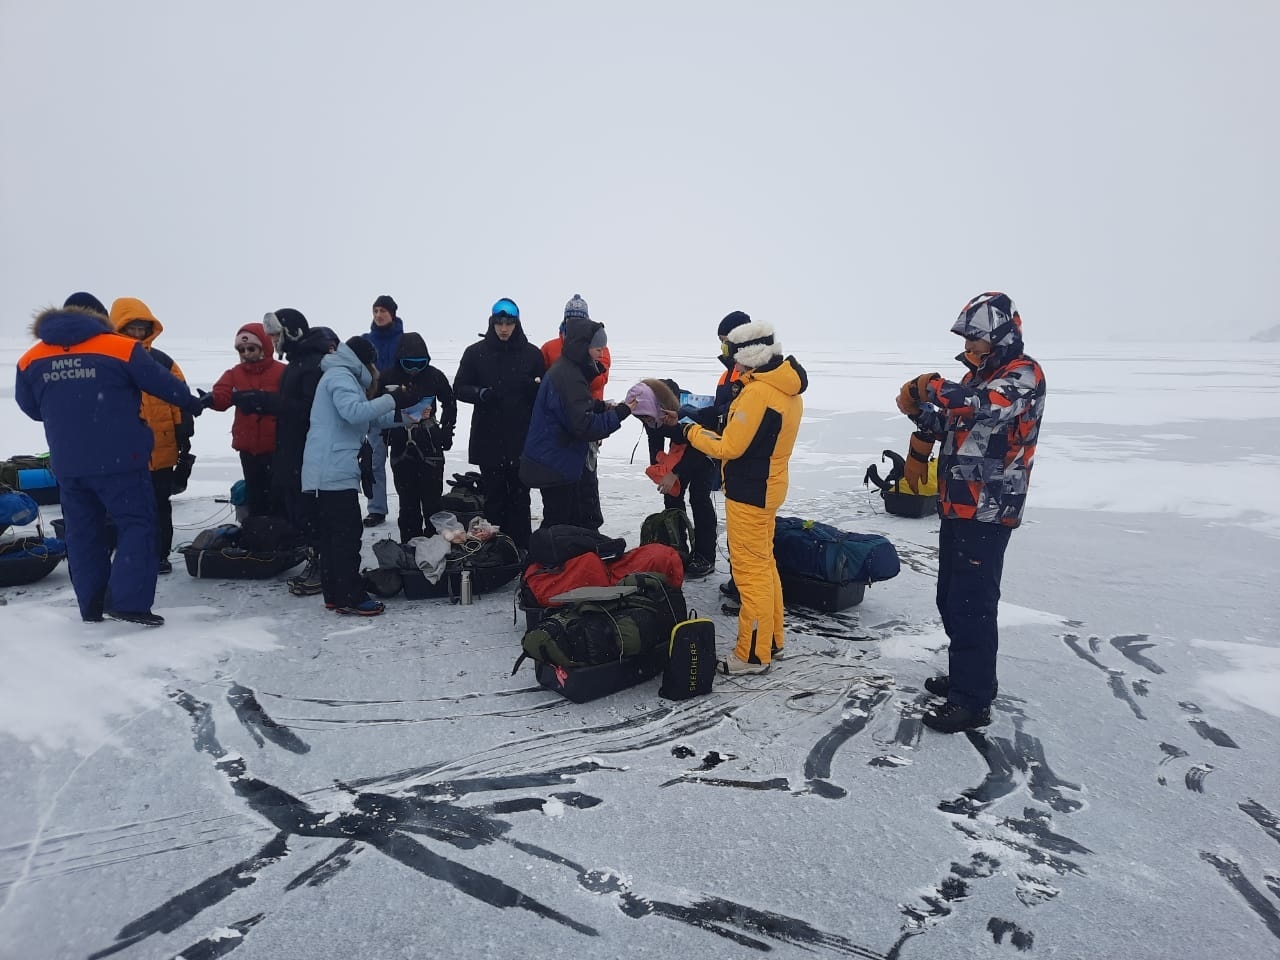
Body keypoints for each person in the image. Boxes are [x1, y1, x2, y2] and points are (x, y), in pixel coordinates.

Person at [896, 292, 1046, 734]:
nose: (970, 350)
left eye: (976, 342)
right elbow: (955, 422)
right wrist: (921, 418)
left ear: (1000, 338)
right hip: (958, 503)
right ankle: (970, 677)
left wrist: (931, 385)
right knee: (951, 597)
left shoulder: (1022, 375)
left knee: (973, 604)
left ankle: (973, 700)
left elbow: (981, 407)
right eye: (967, 343)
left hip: (990, 508)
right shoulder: (978, 379)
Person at [15, 293, 206, 626]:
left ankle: (91, 606)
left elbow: (31, 407)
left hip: (69, 464)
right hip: (122, 461)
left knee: (82, 534)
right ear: (101, 318)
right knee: (136, 525)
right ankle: (130, 603)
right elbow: (165, 386)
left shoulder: (31, 358)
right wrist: (194, 403)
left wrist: (67, 412)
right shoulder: (119, 347)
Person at [683, 318, 806, 675]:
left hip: (749, 492)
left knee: (751, 575)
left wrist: (692, 431)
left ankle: (751, 654)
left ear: (751, 356)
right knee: (765, 566)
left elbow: (731, 447)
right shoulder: (786, 387)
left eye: (734, 355)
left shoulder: (757, 393)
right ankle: (772, 640)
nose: (731, 363)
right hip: (768, 486)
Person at [301, 336, 419, 615]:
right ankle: (350, 596)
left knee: (333, 538)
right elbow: (354, 413)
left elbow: (368, 418)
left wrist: (406, 417)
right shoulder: (341, 376)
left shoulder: (342, 376)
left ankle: (334, 594)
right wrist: (392, 398)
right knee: (345, 537)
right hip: (331, 469)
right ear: (366, 361)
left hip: (329, 469)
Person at [521, 316, 631, 529]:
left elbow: (574, 406)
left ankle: (557, 559)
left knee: (564, 520)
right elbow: (584, 426)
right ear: (583, 347)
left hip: (554, 460)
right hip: (553, 464)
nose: (602, 352)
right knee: (558, 523)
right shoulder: (569, 376)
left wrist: (600, 407)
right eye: (597, 348)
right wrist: (620, 413)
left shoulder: (568, 370)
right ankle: (545, 561)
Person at [452, 298, 545, 550]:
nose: (504, 328)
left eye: (509, 323)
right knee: (493, 497)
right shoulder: (475, 353)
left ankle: (521, 549)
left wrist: (532, 389)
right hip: (488, 438)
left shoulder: (531, 354)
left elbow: (545, 396)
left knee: (519, 497)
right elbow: (459, 387)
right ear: (492, 323)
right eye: (500, 323)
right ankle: (494, 551)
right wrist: (480, 393)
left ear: (517, 324)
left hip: (521, 440)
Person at [109, 297, 193, 574]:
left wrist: (184, 431)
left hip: (162, 446)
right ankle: (132, 554)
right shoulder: (108, 361)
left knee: (159, 505)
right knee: (127, 507)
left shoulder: (161, 361)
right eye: (130, 327)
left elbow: (179, 396)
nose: (136, 333)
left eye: (141, 328)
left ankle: (159, 554)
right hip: (124, 451)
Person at [263, 310, 338, 596]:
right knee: (298, 510)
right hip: (293, 449)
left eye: (275, 335)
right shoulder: (298, 361)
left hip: (307, 451)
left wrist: (268, 402)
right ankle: (315, 561)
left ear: (291, 332)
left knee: (312, 512)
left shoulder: (313, 363)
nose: (272, 341)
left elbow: (310, 411)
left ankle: (323, 566)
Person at [681, 310, 750, 601]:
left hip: (744, 460)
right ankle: (716, 564)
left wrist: (698, 421)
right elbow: (721, 410)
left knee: (747, 531)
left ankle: (744, 586)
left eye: (725, 341)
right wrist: (698, 415)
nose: (722, 348)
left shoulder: (750, 377)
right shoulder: (728, 373)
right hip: (722, 453)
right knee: (713, 508)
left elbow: (735, 413)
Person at [626, 377, 717, 578]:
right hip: (678, 448)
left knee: (699, 498)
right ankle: (679, 548)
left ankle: (705, 555)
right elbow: (654, 436)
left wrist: (675, 473)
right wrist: (658, 467)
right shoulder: (649, 408)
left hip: (704, 448)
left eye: (647, 418)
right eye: (642, 420)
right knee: (672, 496)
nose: (646, 422)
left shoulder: (687, 412)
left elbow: (699, 448)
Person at [540, 294, 611, 529]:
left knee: (587, 477)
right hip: (558, 427)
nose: (574, 325)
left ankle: (589, 526)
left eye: (579, 320)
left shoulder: (600, 349)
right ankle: (562, 527)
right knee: (561, 477)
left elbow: (599, 380)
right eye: (570, 320)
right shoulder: (550, 348)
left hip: (590, 420)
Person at [379, 331, 458, 542]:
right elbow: (374, 409)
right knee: (407, 503)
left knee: (432, 502)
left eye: (419, 364)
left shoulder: (434, 375)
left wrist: (446, 432)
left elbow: (450, 402)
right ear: (399, 361)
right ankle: (410, 545)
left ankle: (435, 546)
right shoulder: (387, 377)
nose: (414, 370)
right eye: (408, 364)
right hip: (400, 444)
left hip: (429, 443)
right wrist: (382, 436)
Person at [208, 321, 285, 517]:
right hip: (248, 445)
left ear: (264, 348)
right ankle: (258, 532)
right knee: (255, 492)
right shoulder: (234, 373)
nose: (246, 353)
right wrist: (211, 399)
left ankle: (279, 532)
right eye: (241, 350)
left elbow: (289, 402)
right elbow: (222, 396)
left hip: (276, 446)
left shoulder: (281, 372)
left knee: (278, 494)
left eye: (251, 348)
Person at [360, 295, 406, 527]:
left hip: (399, 407)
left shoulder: (405, 340)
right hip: (373, 407)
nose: (378, 315)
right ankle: (376, 509)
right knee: (375, 460)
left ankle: (408, 504)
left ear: (392, 314)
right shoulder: (366, 341)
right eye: (375, 310)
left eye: (383, 311)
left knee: (402, 459)